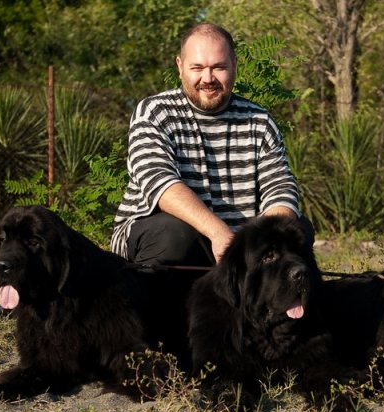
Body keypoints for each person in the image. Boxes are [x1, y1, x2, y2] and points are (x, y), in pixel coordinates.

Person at [110, 23, 311, 268]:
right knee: (175, 234)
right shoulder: (154, 112)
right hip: (165, 237)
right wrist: (218, 233)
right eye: (198, 68)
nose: (208, 78)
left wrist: (262, 242)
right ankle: (156, 304)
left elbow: (280, 187)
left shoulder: (259, 121)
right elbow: (160, 184)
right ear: (180, 66)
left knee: (296, 227)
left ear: (234, 65)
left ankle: (265, 301)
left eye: (218, 67)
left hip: (241, 246)